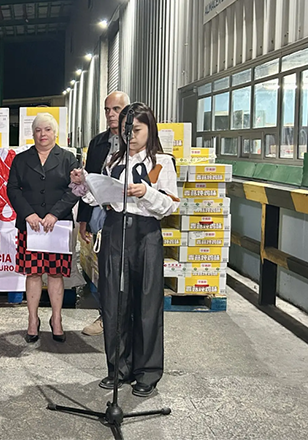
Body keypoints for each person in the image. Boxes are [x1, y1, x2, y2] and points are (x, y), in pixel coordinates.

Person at [70, 102, 179, 397]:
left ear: (150, 129)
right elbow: (98, 199)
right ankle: (118, 368)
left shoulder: (161, 162)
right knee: (114, 301)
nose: (130, 136)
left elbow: (170, 205)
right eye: (126, 131)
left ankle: (147, 372)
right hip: (115, 230)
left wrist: (147, 192)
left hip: (146, 235)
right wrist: (85, 185)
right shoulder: (113, 161)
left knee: (147, 303)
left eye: (137, 130)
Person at [7, 113, 79, 344]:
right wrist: (28, 214)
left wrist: (54, 214)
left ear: (55, 133)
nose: (42, 134)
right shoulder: (21, 159)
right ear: (33, 133)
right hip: (30, 226)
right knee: (33, 273)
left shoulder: (68, 158)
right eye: (38, 130)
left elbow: (75, 189)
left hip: (58, 225)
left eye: (47, 129)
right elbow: (12, 189)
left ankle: (56, 319)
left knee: (56, 274)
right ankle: (32, 320)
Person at [78, 91, 130, 337]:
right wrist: (84, 219)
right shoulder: (97, 143)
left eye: (116, 109)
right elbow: (89, 183)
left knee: (129, 270)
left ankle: (129, 320)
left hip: (133, 218)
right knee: (105, 270)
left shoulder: (139, 140)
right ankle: (106, 317)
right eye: (107, 110)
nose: (111, 114)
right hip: (103, 216)